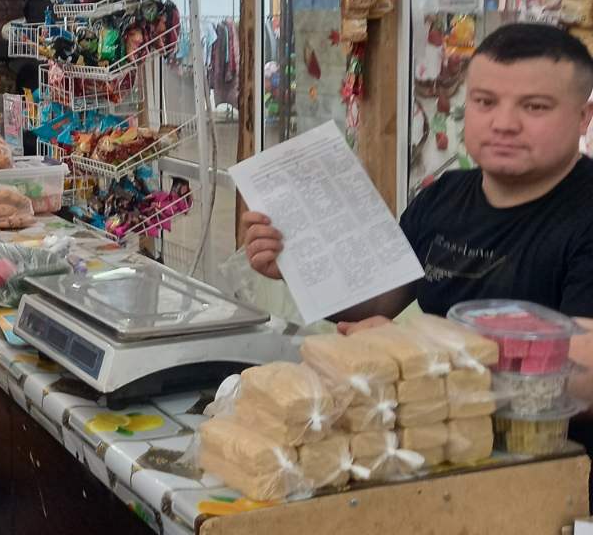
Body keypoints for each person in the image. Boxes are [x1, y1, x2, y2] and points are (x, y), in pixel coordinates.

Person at [242, 22, 593, 327]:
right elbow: (380, 303)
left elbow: (580, 369)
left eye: (534, 107)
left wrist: (418, 348)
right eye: (485, 102)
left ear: (583, 117)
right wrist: (298, 266)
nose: (503, 124)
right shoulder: (443, 196)